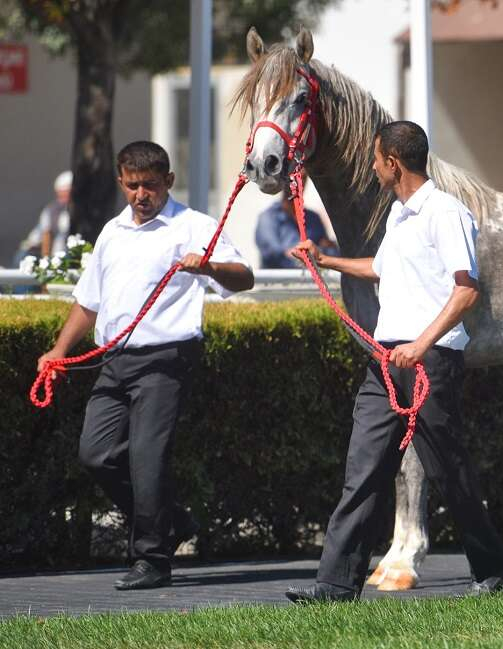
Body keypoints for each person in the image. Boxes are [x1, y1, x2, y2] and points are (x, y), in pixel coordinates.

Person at [284, 121, 503, 603]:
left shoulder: (445, 213)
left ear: (393, 162)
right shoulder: (399, 214)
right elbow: (380, 268)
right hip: (387, 358)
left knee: (447, 470)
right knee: (364, 468)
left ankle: (494, 567)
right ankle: (334, 585)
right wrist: (326, 260)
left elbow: (466, 288)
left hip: (429, 359)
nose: (371, 167)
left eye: (375, 159)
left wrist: (422, 343)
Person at [37, 141, 254, 590]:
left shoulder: (192, 226)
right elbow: (87, 300)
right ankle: (171, 521)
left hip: (165, 360)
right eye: (133, 185)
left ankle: (152, 559)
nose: (141, 194)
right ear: (121, 183)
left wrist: (210, 267)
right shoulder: (113, 231)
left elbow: (244, 277)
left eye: (150, 185)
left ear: (168, 182)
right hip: (114, 360)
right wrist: (59, 350)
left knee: (147, 458)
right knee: (95, 454)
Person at [255, 176, 338, 268]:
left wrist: (295, 254)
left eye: (302, 178)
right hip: (278, 281)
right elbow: (273, 254)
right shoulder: (268, 218)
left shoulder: (314, 218)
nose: (297, 182)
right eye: (293, 178)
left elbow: (330, 251)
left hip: (311, 279)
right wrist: (307, 257)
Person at [13, 171, 72, 267]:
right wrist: (46, 261)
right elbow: (45, 236)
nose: (62, 199)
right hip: (41, 252)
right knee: (21, 257)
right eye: (60, 194)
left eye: (65, 194)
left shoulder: (76, 211)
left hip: (65, 254)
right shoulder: (51, 210)